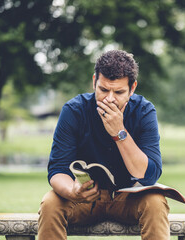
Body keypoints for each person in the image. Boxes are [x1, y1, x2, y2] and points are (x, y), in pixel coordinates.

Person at [38, 50, 170, 240]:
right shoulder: (74, 110)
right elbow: (57, 169)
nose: (109, 99)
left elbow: (149, 176)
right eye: (103, 90)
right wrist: (73, 192)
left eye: (118, 92)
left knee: (156, 201)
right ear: (94, 82)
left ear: (132, 88)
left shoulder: (144, 111)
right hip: (84, 200)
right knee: (51, 202)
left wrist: (119, 133)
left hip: (128, 199)